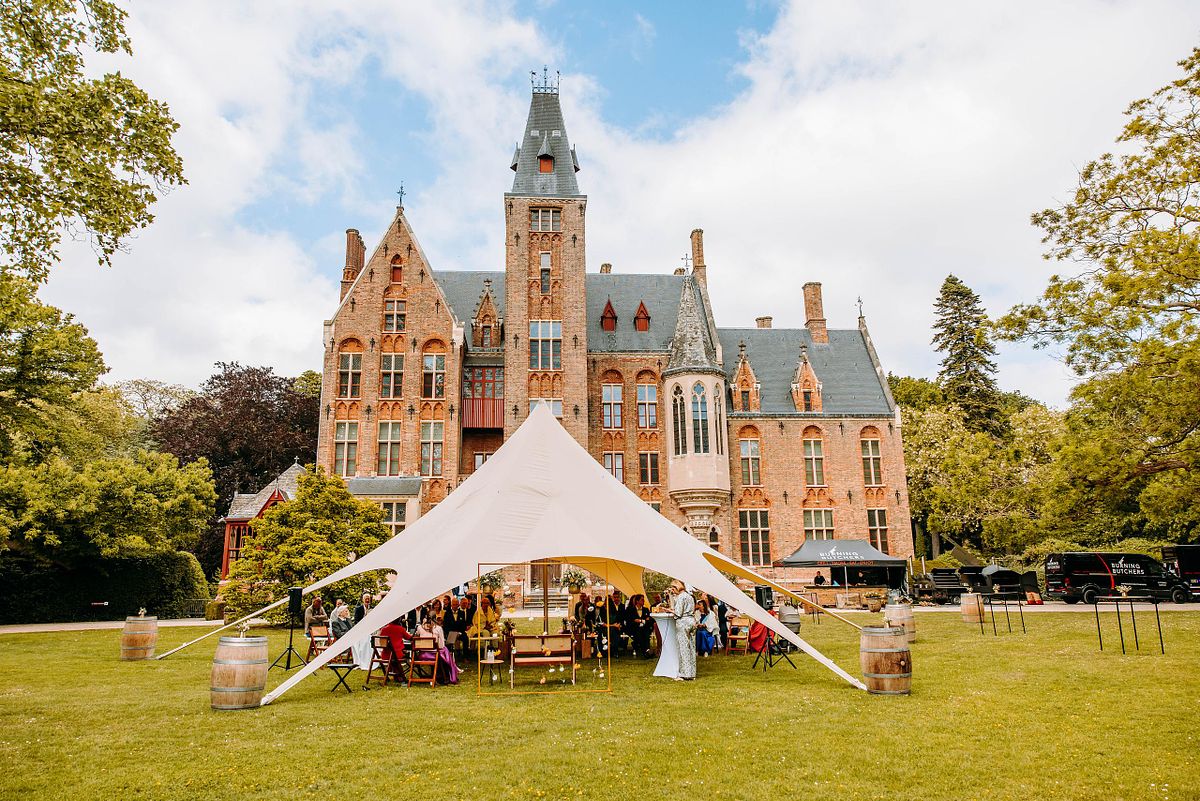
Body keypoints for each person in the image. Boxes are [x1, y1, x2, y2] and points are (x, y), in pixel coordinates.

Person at [415, 616, 459, 685]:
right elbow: (441, 645)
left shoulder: (419, 628)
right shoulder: (438, 628)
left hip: (423, 655)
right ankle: (447, 675)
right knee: (445, 651)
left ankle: (442, 675)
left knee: (444, 652)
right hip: (434, 655)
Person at [668, 580, 697, 681]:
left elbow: (678, 613)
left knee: (683, 648)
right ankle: (692, 673)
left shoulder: (680, 597)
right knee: (692, 647)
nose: (672, 590)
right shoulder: (689, 596)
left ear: (676, 588)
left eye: (673, 588)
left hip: (683, 623)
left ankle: (685, 674)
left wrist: (670, 610)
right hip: (692, 621)